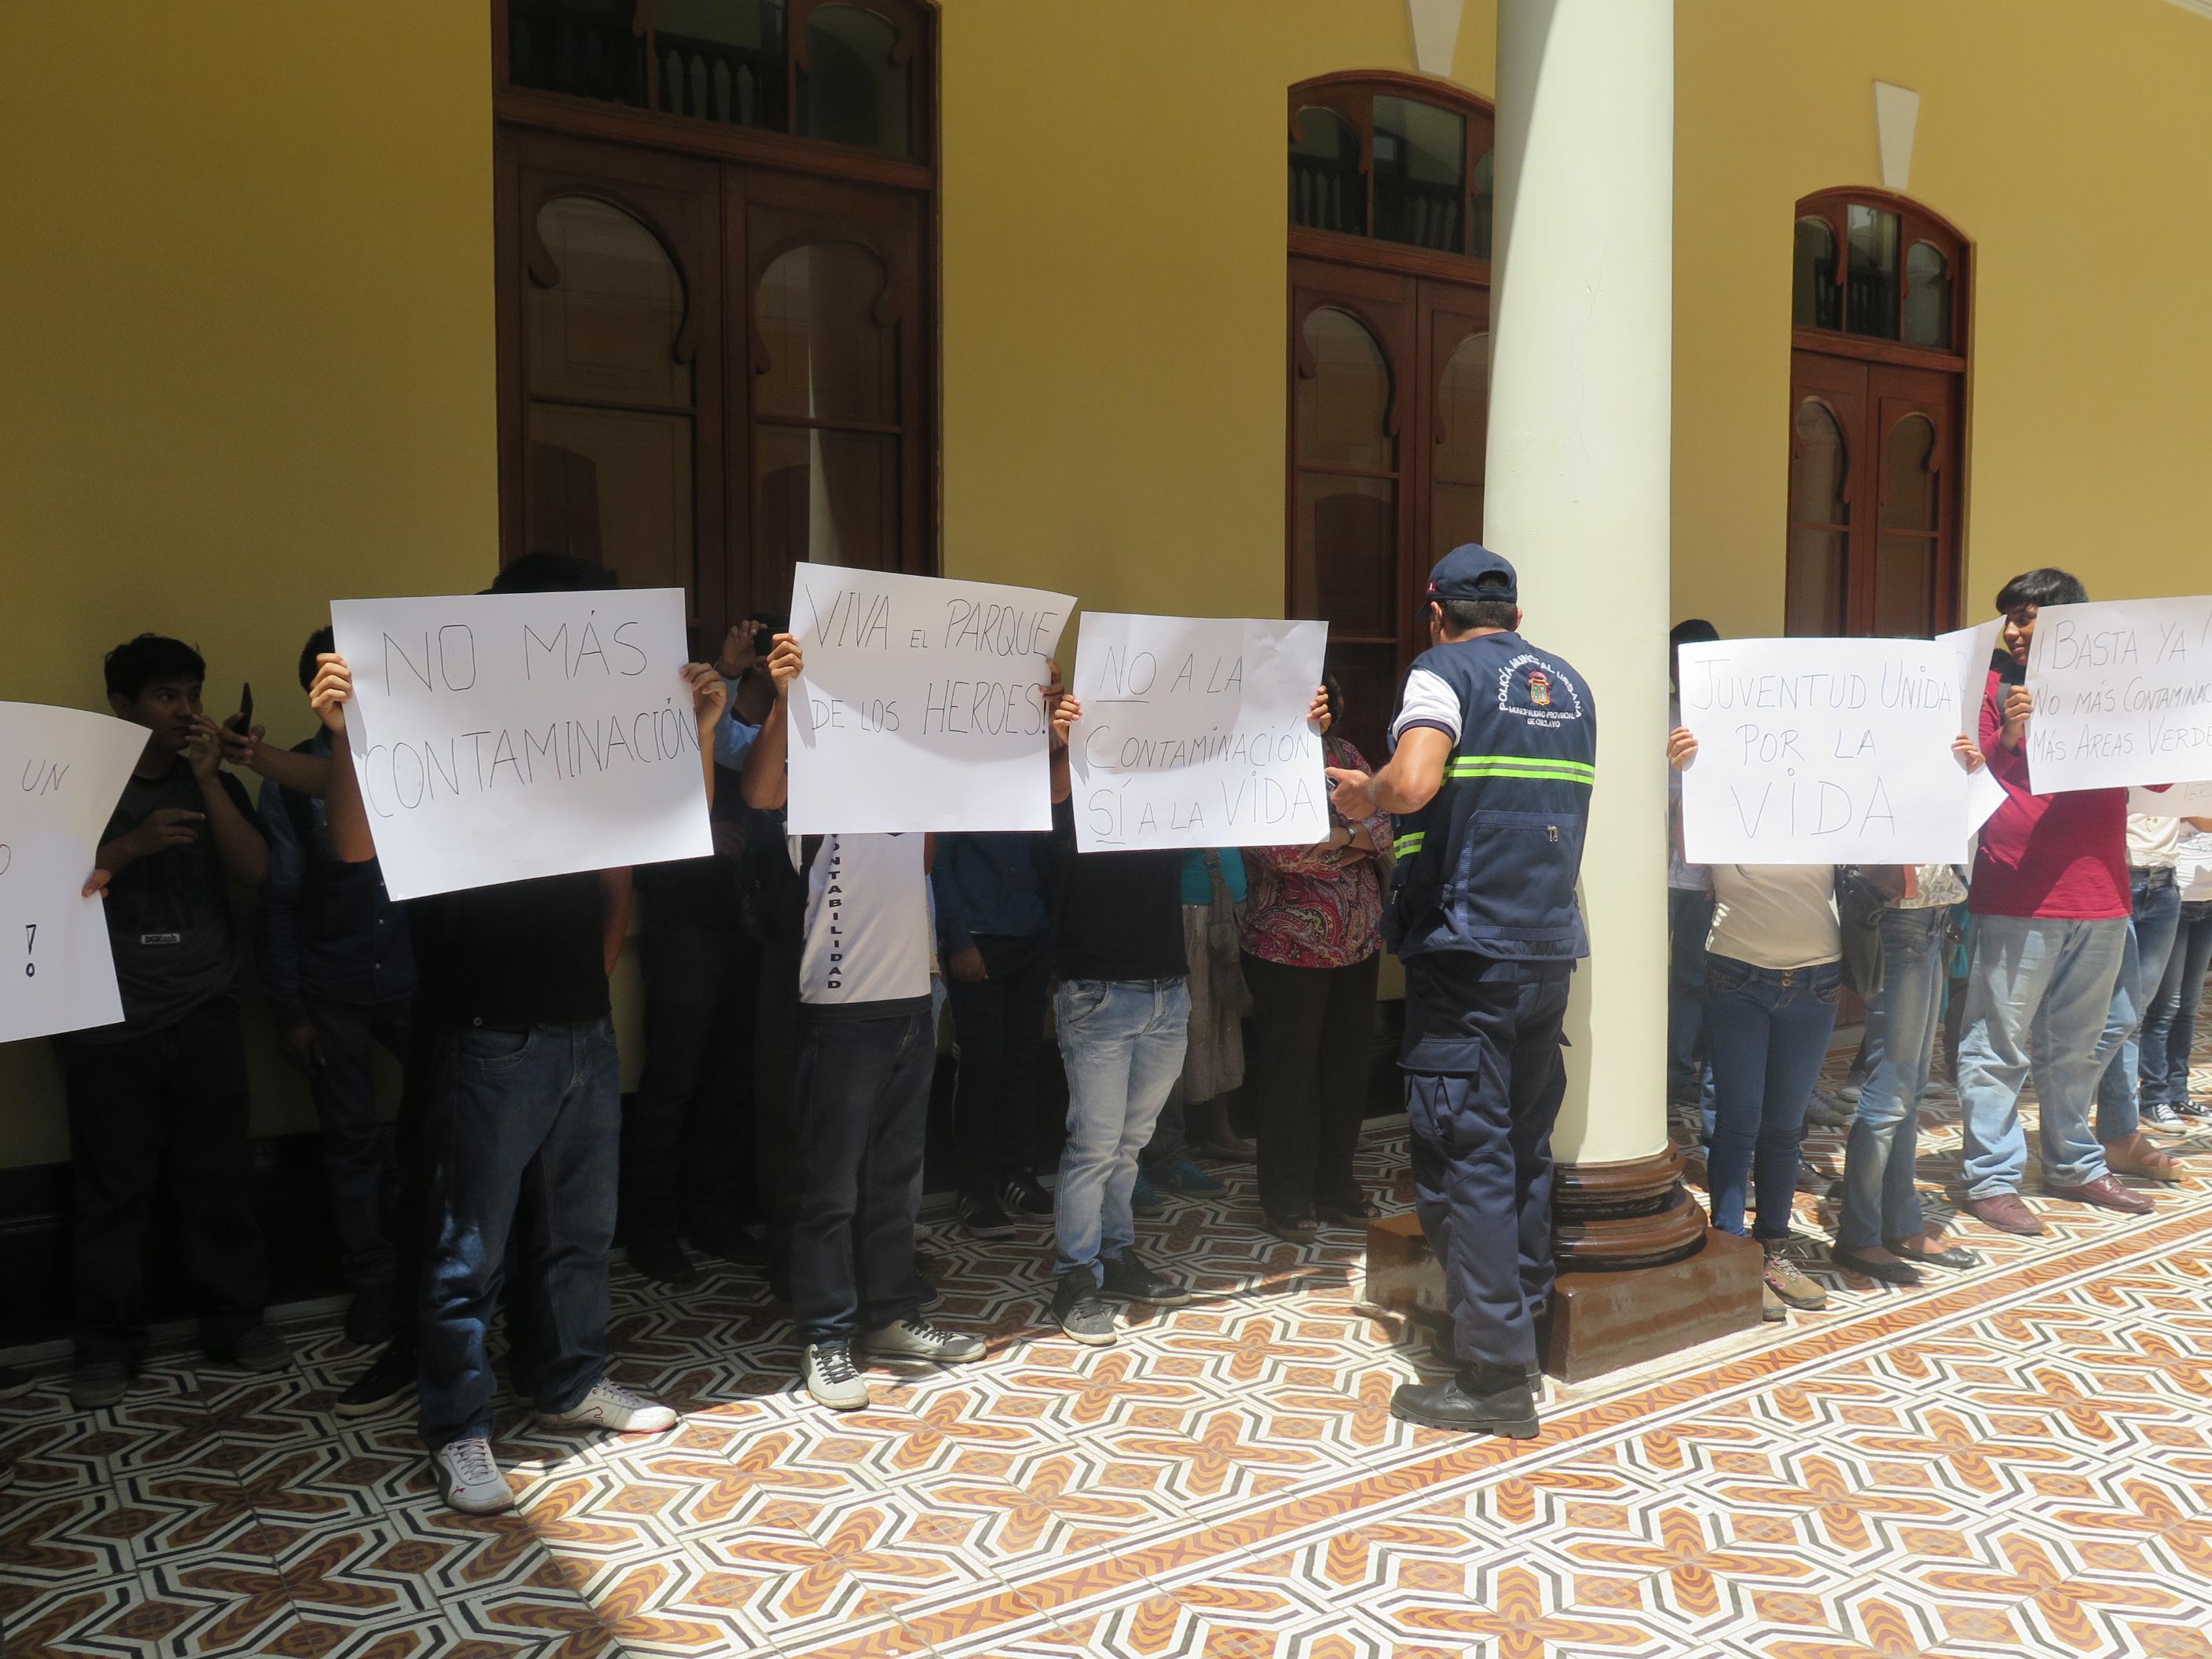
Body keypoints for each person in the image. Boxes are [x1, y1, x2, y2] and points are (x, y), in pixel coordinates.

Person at [309, 553, 715, 1512]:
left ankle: (569, 1380)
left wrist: (693, 731)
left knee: (579, 1233)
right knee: (468, 1250)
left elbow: (669, 824)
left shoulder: (591, 736)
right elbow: (354, 845)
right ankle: (458, 1428)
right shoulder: (441, 723)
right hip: (483, 1034)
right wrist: (347, 735)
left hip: (581, 1025)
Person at [1325, 544, 1592, 1439]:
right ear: (1514, 617)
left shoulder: (1439, 674)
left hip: (1465, 953)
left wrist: (1363, 795)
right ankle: (1510, 1320)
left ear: (1436, 615)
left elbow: (1413, 782)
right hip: (1544, 951)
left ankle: (1491, 1377)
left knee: (1462, 1158)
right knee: (1518, 1149)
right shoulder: (1570, 686)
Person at [739, 637, 988, 1409]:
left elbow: (921, 861)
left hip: (913, 1001)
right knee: (831, 1185)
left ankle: (887, 1314)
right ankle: (825, 1333)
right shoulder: (808, 782)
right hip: (838, 1015)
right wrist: (784, 700)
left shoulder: (909, 784)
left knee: (894, 1182)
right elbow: (754, 793)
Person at [57, 635, 284, 1410]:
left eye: (190, 694)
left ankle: (236, 1321)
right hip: (102, 1021)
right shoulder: (76, 786)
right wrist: (128, 847)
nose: (184, 711)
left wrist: (210, 783)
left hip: (203, 1007)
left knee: (216, 1176)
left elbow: (257, 873)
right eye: (165, 696)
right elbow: (33, 889)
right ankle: (106, 1346)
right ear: (122, 708)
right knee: (112, 1190)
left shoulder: (206, 775)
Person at [1953, 568, 2177, 1237]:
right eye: (2010, 620)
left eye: (2026, 618)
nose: (2014, 632)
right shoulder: (1988, 691)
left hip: (2102, 892)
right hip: (2015, 891)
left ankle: (2074, 1164)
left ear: (2069, 624)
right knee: (1997, 1044)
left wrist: (2152, 712)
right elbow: (1965, 777)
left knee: (2077, 1045)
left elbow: (2159, 777)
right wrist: (2010, 737)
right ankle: (1990, 1177)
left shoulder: (2112, 693)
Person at [257, 627, 416, 1348]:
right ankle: (373, 1285)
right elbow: (279, 899)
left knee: (447, 1120)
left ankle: (438, 1269)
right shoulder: (289, 782)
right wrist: (291, 1011)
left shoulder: (418, 758)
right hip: (333, 980)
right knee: (349, 1138)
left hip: (420, 974)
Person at [1039, 689, 1196, 1343]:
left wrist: (1297, 724)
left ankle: (1116, 1254)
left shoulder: (1164, 788)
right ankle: (1075, 1277)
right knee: (1095, 1146)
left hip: (1168, 988)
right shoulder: (1065, 784)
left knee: (1130, 1142)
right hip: (1098, 989)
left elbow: (1240, 777)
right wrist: (1059, 742)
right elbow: (1047, 799)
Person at [1242, 673, 1390, 1242]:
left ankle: (1337, 1188)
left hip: (1358, 943)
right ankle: (1285, 1196)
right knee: (1290, 1078)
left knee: (1347, 1073)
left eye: (1327, 695)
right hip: (1287, 949)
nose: (1320, 705)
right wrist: (1350, 839)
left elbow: (1388, 827)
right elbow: (1281, 851)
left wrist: (1337, 837)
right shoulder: (1257, 764)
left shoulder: (1347, 755)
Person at [1828, 857, 1986, 1287]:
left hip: (1934, 916)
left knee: (1909, 1089)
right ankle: (1859, 1234)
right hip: (1899, 919)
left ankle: (1901, 1222)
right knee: (1889, 1092)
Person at [932, 831, 1057, 1239]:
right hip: (977, 936)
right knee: (980, 1064)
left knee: (1023, 1060)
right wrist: (957, 939)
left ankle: (1017, 1175)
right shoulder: (957, 773)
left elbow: (1046, 855)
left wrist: (1050, 937)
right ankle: (974, 1187)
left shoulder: (1024, 771)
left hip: (1031, 932)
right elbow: (940, 862)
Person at [1133, 848, 1249, 1210]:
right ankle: (1131, 1165)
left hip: (1222, 903)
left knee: (1204, 1028)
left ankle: (1169, 1155)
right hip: (1167, 907)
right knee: (1156, 1037)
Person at [2090, 811, 2212, 1144]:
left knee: (2144, 1012)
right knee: (2124, 1015)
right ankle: (2076, 1113)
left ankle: (2124, 1128)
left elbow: (2201, 818)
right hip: (2123, 877)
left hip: (2166, 884)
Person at [1666, 620, 1719, 1121]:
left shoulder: (1729, 720)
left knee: (1691, 974)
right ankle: (1643, 1071)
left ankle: (1680, 1073)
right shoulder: (1657, 717)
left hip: (1704, 874)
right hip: (1652, 873)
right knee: (1639, 973)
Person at [2141, 822, 2212, 1123]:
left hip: (2207, 901)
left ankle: (2178, 1094)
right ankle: (2153, 1098)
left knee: (2188, 1006)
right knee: (2164, 1006)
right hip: (2174, 897)